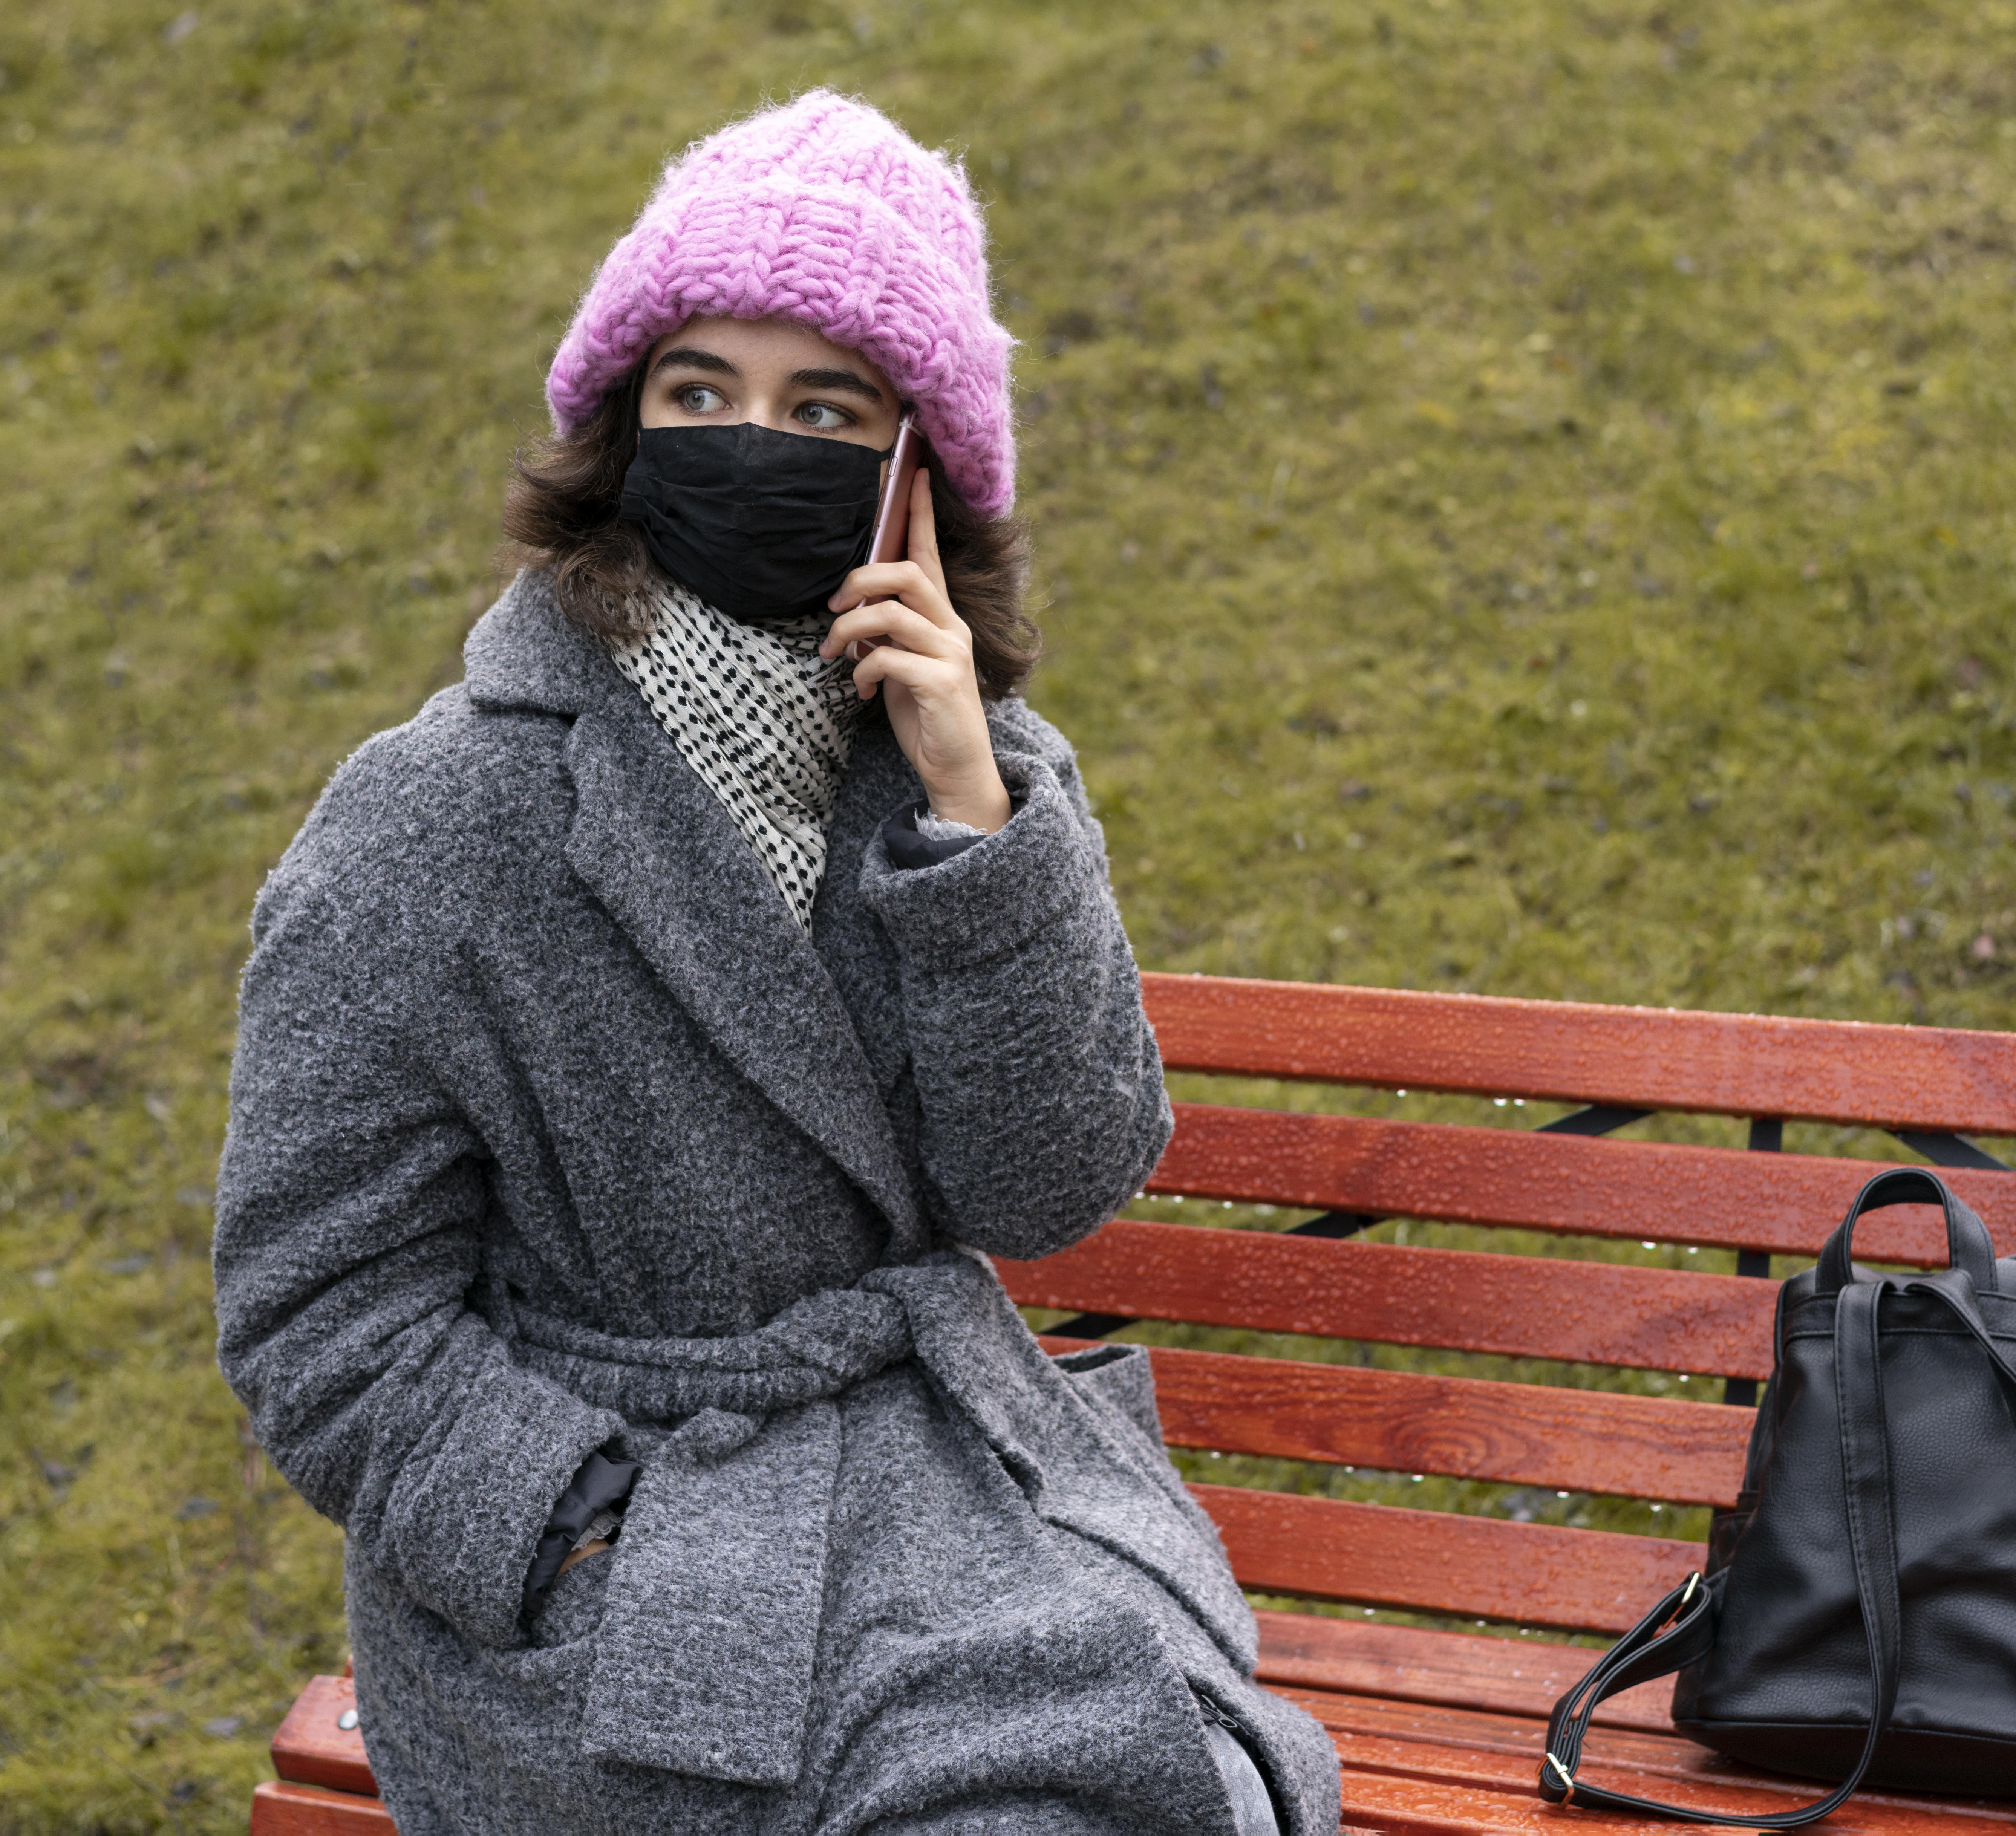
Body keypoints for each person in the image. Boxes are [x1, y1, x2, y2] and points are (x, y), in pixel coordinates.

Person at [213, 91, 1339, 1836]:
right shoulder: (433, 817)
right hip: (620, 1591)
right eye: (700, 395)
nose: (755, 442)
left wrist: (974, 821)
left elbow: (1047, 1192)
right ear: (621, 429)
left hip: (943, 1502)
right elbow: (320, 1315)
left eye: (825, 409)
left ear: (913, 480)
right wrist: (577, 1528)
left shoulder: (964, 764)